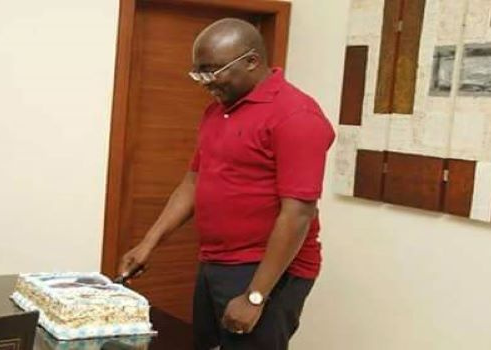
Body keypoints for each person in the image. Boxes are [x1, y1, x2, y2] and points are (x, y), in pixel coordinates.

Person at [119, 18, 335, 350]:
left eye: (213, 71)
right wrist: (149, 243)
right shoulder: (218, 111)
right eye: (199, 73)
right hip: (215, 262)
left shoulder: (296, 116)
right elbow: (193, 182)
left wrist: (255, 295)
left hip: (266, 271)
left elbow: (298, 215)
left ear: (252, 61)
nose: (205, 83)